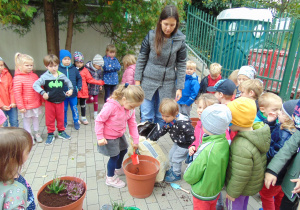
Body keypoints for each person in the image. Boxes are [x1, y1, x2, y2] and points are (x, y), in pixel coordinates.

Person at [135, 5, 187, 127]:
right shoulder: (151, 36)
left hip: (168, 84)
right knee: (146, 115)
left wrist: (179, 87)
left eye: (172, 25)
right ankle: (144, 143)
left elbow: (181, 64)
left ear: (177, 24)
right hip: (148, 82)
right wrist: (137, 83)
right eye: (165, 24)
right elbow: (141, 58)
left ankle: (154, 142)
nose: (168, 28)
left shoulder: (180, 39)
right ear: (160, 22)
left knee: (161, 116)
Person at [225, 97, 271, 210]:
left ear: (237, 122)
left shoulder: (241, 145)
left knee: (234, 207)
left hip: (239, 189)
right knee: (243, 205)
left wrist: (232, 192)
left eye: (230, 120)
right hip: (249, 186)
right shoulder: (258, 133)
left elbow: (240, 175)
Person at [95, 84, 144, 188]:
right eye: (132, 106)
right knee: (114, 156)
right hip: (108, 137)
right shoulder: (111, 106)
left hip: (119, 135)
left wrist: (136, 140)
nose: (133, 108)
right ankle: (110, 178)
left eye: (135, 107)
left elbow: (132, 124)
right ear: (124, 99)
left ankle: (117, 168)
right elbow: (99, 120)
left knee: (124, 150)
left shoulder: (130, 108)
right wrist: (100, 137)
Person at [184, 104, 232, 210]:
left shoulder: (207, 149)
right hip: (215, 190)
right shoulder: (224, 142)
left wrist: (187, 173)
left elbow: (190, 176)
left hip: (202, 192)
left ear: (209, 126)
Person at [259, 100, 298, 210]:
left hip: (274, 174)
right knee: (279, 196)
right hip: (283, 176)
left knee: (266, 196)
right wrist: (270, 123)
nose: (278, 113)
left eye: (281, 112)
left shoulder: (284, 134)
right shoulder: (285, 128)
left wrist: (264, 151)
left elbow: (275, 154)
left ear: (288, 118)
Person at [149, 98, 195, 182]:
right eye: (162, 115)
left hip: (185, 145)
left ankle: (176, 174)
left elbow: (192, 135)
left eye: (167, 116)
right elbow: (163, 130)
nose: (164, 118)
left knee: (176, 158)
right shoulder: (170, 121)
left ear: (175, 114)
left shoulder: (183, 123)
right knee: (170, 155)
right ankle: (173, 169)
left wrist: (192, 146)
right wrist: (153, 137)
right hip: (177, 143)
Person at [33, 54, 73, 145]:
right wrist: (43, 92)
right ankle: (50, 134)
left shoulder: (61, 75)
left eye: (55, 65)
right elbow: (35, 85)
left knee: (61, 117)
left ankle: (61, 132)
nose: (54, 68)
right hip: (50, 102)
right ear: (46, 66)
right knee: (50, 119)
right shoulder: (44, 77)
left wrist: (70, 89)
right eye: (51, 66)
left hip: (61, 101)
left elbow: (69, 82)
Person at [0, 127, 35, 209]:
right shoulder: (14, 194)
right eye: (27, 151)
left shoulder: (8, 171)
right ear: (11, 159)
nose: (28, 154)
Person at [13, 52, 42, 144]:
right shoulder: (18, 78)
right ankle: (29, 136)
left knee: (36, 118)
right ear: (20, 66)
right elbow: (17, 93)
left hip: (35, 103)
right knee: (27, 120)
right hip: (26, 105)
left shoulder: (34, 76)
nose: (30, 67)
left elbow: (39, 89)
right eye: (27, 65)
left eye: (31, 65)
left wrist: (41, 100)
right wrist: (21, 106)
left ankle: (37, 133)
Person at [73, 51, 105, 125]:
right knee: (74, 105)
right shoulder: (72, 70)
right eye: (77, 62)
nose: (79, 64)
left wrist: (100, 82)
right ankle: (76, 118)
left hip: (83, 90)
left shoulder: (85, 70)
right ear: (74, 62)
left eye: (81, 62)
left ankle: (83, 117)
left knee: (83, 104)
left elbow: (90, 79)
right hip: (74, 90)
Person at [58, 49, 82, 130]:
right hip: (63, 94)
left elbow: (79, 78)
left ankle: (76, 121)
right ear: (61, 59)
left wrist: (78, 87)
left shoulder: (74, 69)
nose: (67, 61)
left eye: (68, 59)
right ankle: (64, 122)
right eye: (65, 59)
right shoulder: (58, 69)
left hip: (73, 94)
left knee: (74, 108)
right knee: (63, 109)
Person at [0, 57, 18, 127]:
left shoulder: (7, 74)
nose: (0, 67)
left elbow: (12, 89)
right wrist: (1, 105)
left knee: (14, 122)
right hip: (1, 106)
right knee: (3, 124)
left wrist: (13, 102)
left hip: (11, 105)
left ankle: (16, 137)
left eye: (1, 65)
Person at [85, 54, 105, 120]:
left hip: (96, 88)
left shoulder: (99, 70)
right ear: (94, 64)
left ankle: (95, 113)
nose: (100, 67)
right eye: (99, 66)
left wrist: (100, 85)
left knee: (96, 101)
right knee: (91, 99)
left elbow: (100, 78)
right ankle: (86, 103)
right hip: (90, 88)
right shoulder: (88, 69)